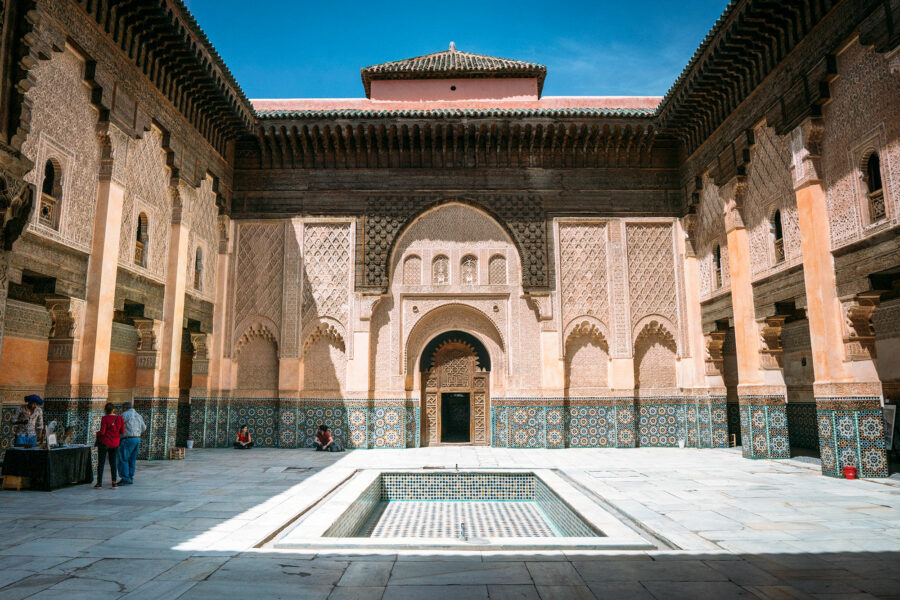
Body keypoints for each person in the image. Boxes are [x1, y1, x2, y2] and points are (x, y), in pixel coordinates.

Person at [95, 403, 124, 488]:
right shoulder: (119, 418)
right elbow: (122, 431)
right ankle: (114, 482)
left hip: (104, 443)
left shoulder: (104, 418)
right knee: (113, 463)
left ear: (105, 410)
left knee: (101, 463)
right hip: (115, 443)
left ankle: (99, 483)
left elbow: (102, 432)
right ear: (113, 409)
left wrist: (97, 433)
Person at [117, 402, 146, 485]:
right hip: (137, 439)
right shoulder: (138, 415)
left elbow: (119, 427)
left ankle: (125, 478)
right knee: (132, 459)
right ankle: (130, 477)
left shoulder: (124, 415)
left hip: (127, 439)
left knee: (123, 458)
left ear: (125, 408)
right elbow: (144, 428)